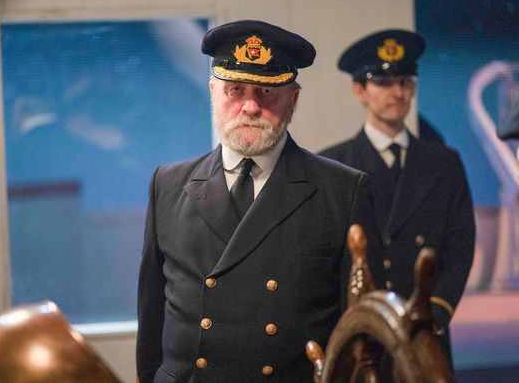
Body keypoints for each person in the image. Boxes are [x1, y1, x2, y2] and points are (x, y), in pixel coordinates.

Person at [137, 20, 385, 383]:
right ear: (213, 93)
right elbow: (151, 318)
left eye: (267, 92)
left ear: (293, 100)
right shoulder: (168, 185)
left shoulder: (343, 191)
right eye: (235, 90)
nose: (250, 107)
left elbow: (364, 331)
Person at [319, 29, 476, 369]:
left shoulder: (444, 163)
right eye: (384, 83)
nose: (398, 92)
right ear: (359, 90)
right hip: (363, 339)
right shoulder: (333, 165)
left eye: (405, 82)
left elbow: (460, 246)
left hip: (425, 332)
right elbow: (323, 259)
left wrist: (434, 311)